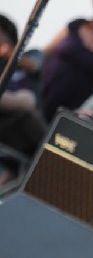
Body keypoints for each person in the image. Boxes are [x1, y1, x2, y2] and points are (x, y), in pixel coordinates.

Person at [0, 14, 47, 185]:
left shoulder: (30, 56)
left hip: (26, 131)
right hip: (9, 123)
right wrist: (18, 100)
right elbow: (27, 102)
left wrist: (9, 54)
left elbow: (35, 64)